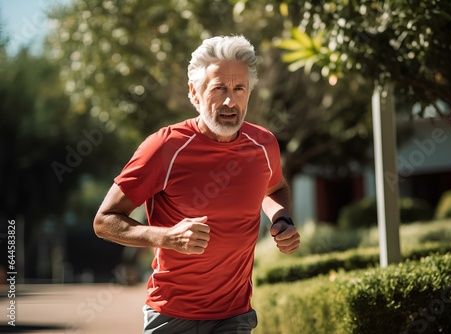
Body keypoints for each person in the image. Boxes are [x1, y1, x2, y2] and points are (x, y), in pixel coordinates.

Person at [93, 35, 300, 334]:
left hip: (235, 316)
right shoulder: (164, 147)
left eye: (239, 88)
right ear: (195, 93)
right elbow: (104, 221)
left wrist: (283, 219)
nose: (230, 101)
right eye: (219, 89)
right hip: (171, 317)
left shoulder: (263, 145)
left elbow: (275, 188)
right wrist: (166, 237)